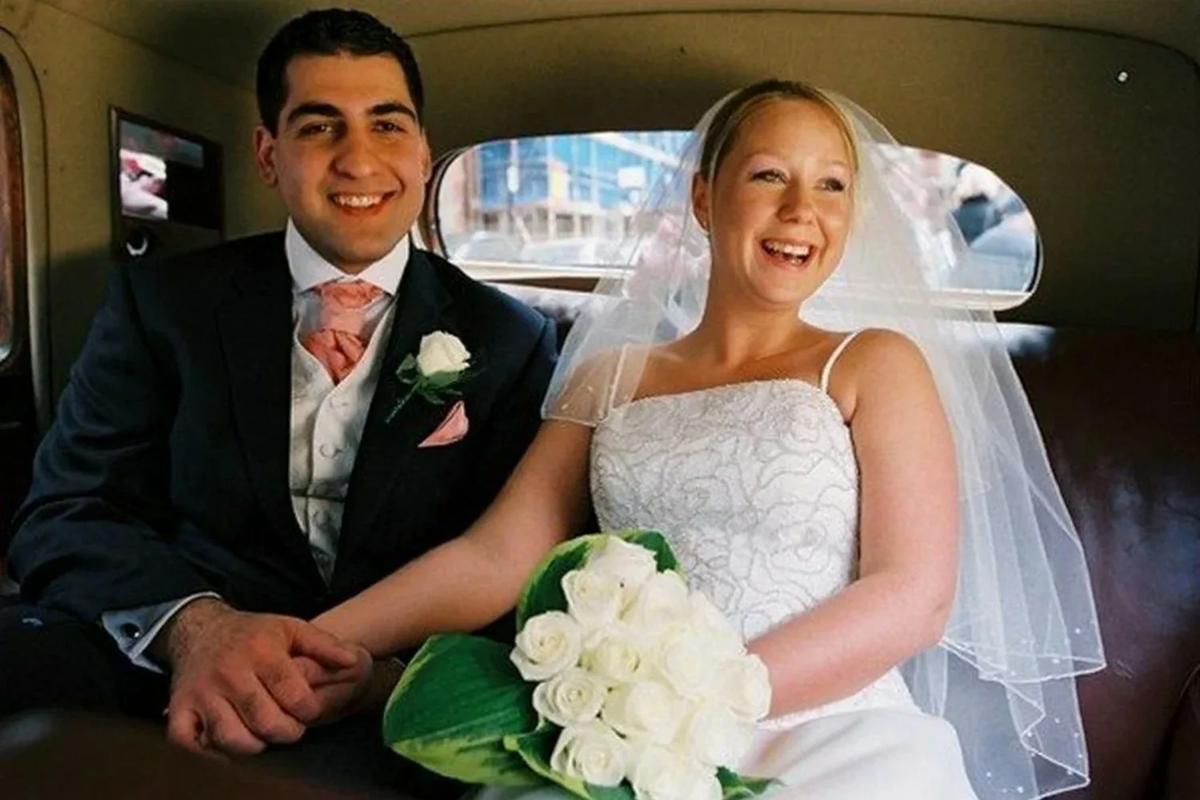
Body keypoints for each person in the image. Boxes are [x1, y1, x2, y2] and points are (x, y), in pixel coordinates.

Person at [310, 80, 1105, 800]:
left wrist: (692, 706)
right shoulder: (609, 376)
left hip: (833, 735)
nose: (801, 210)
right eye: (769, 176)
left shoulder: (875, 364)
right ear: (703, 197)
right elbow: (497, 556)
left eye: (831, 184)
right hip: (616, 738)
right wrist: (317, 641)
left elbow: (912, 597)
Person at [1, 8, 556, 797]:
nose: (358, 160)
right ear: (269, 154)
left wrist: (387, 678)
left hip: (377, 694)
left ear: (422, 151)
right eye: (320, 127)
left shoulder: (511, 338)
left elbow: (514, 562)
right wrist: (196, 628)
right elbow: (65, 508)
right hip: (155, 660)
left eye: (387, 125)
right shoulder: (164, 304)